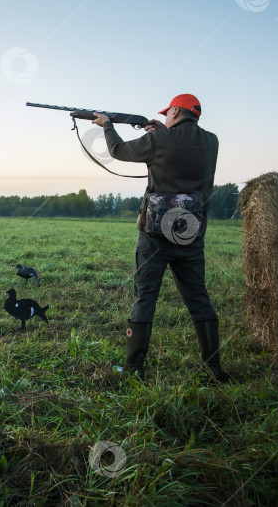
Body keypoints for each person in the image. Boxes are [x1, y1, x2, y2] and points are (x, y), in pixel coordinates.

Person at [92, 93, 228, 382]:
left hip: (154, 236)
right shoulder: (211, 141)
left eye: (168, 114)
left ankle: (133, 369)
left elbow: (118, 150)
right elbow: (183, 149)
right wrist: (162, 133)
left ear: (176, 111)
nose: (165, 117)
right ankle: (214, 369)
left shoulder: (158, 141)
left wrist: (106, 124)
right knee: (199, 299)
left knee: (145, 297)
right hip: (190, 234)